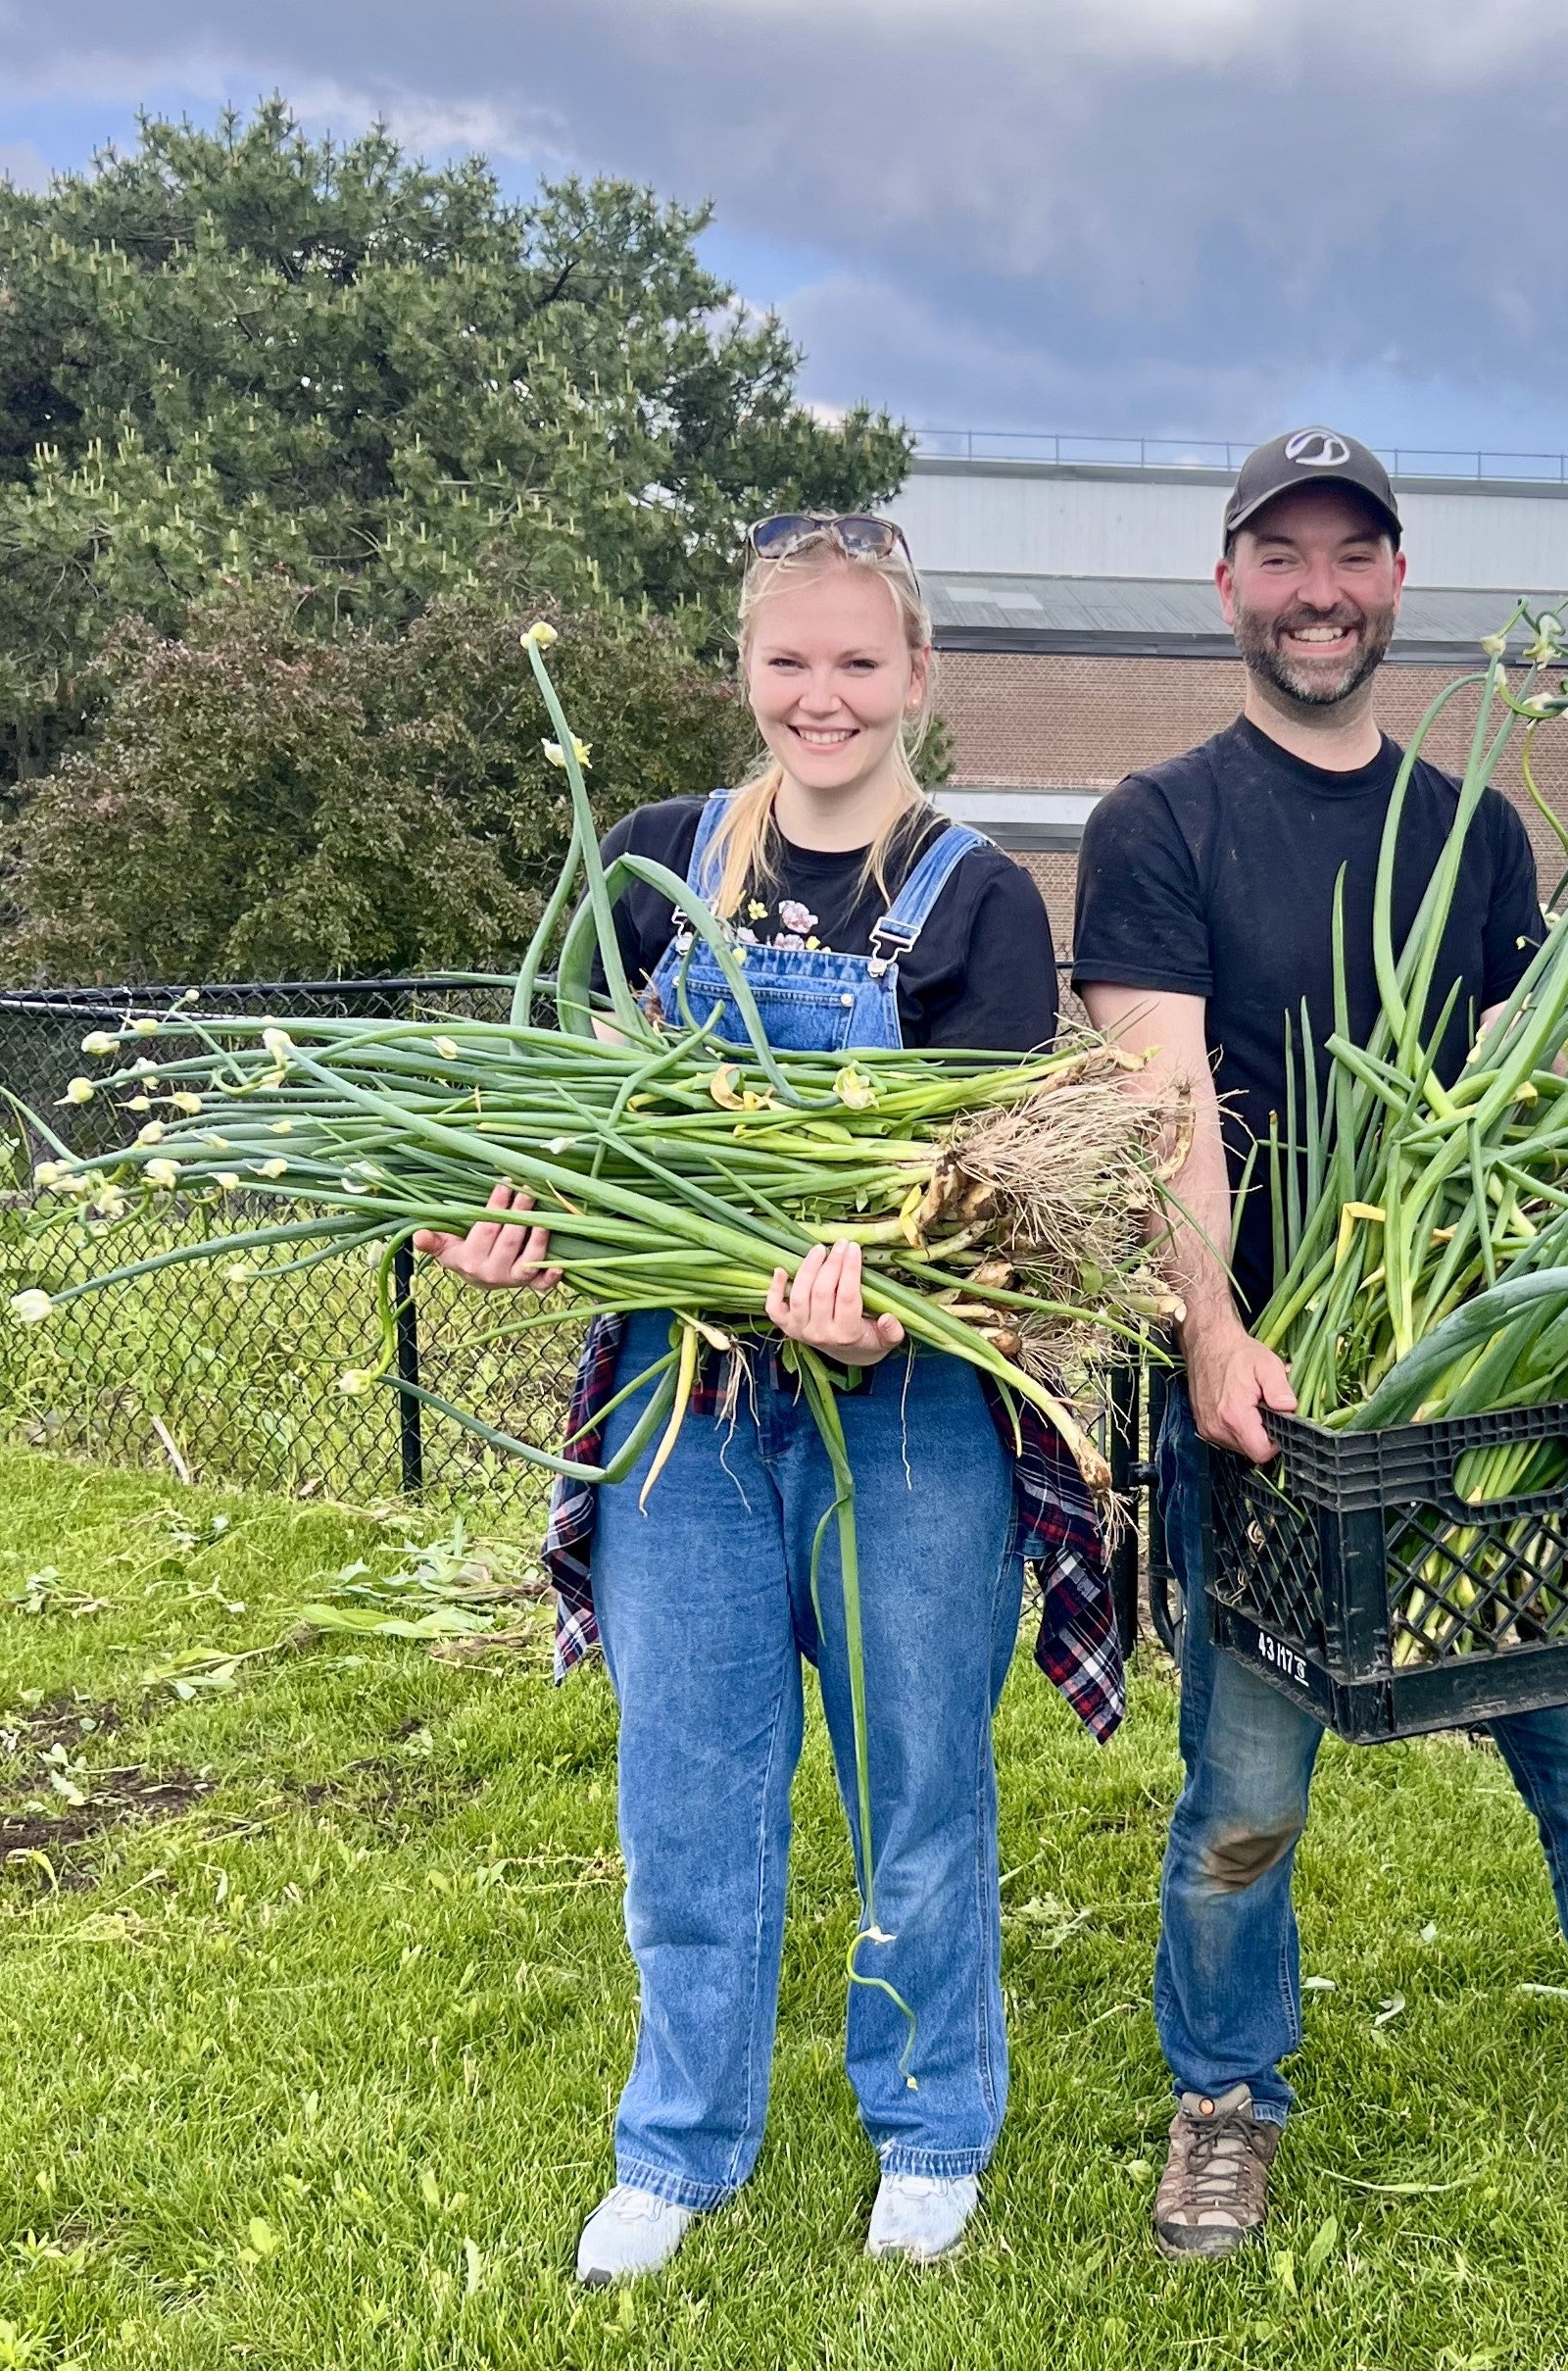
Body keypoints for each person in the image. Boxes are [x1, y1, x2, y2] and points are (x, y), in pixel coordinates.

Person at [1071, 429, 1568, 2259]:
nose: (1317, 589)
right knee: (1245, 1782)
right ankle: (1227, 2097)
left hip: (1483, 1375)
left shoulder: (1477, 831)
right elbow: (1158, 1102)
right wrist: (1216, 1333)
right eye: (1281, 554)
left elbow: (1525, 1097)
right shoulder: (1158, 821)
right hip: (1279, 1380)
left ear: (1396, 582)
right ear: (1228, 580)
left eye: (1352, 555)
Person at [418, 512, 1120, 2280]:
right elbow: (582, 1136)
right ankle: (678, 2142)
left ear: (917, 679)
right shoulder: (654, 862)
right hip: (689, 1403)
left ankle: (934, 2119)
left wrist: (896, 1306)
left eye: (858, 662)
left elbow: (994, 1197)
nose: (824, 696)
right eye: (790, 661)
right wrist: (528, 1236)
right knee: (690, 1783)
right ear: (747, 670)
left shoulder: (973, 899)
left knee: (919, 1780)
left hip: (905, 1411)